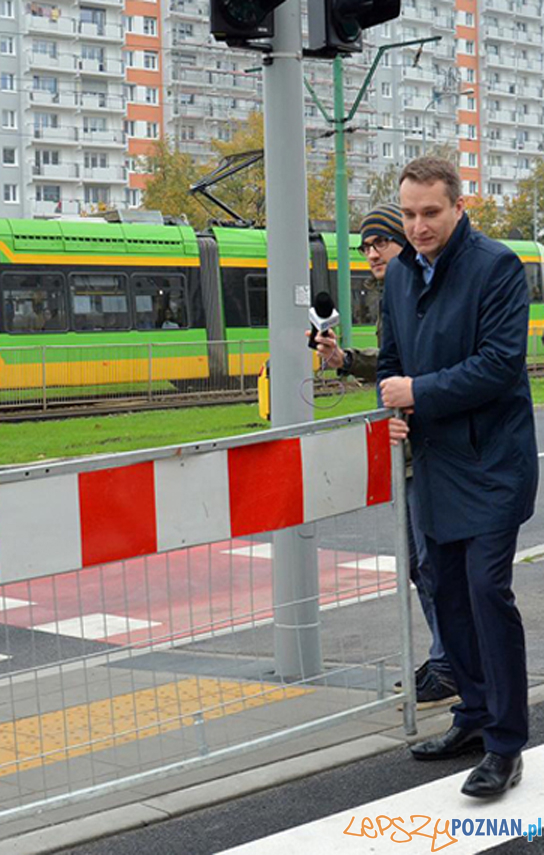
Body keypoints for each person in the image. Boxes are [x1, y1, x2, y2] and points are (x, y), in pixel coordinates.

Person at [378, 156, 537, 798]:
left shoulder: (496, 266)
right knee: (443, 590)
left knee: (484, 592)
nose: (417, 226)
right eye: (409, 214)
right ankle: (471, 715)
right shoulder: (396, 277)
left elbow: (501, 365)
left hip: (493, 461)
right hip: (436, 463)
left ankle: (505, 744)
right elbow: (390, 364)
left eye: (430, 213)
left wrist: (417, 391)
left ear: (458, 206)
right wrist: (390, 406)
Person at [314, 203, 458, 707]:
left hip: (432, 452)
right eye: (366, 246)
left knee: (435, 565)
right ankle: (447, 660)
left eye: (381, 243)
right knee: (423, 564)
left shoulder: (419, 289)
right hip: (410, 450)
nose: (372, 253)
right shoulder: (396, 291)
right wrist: (344, 360)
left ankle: (451, 664)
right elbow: (394, 364)